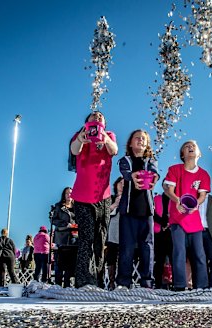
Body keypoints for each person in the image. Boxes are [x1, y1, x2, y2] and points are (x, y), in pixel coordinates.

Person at [69, 111, 118, 288]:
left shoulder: (109, 135)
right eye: (93, 115)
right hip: (82, 197)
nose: (97, 116)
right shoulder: (80, 134)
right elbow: (74, 150)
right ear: (87, 121)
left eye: (101, 116)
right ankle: (82, 281)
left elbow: (114, 150)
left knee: (100, 239)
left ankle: (97, 280)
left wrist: (104, 137)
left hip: (103, 196)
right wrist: (81, 139)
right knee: (86, 238)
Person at [164, 140, 211, 291]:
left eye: (193, 146)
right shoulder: (174, 169)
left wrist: (196, 204)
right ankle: (179, 285)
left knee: (199, 253)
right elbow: (168, 189)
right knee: (179, 252)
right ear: (182, 155)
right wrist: (177, 200)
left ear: (199, 154)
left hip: (194, 220)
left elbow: (202, 195)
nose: (190, 147)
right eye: (186, 146)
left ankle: (202, 286)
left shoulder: (203, 174)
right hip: (177, 218)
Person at [116, 129, 159, 289]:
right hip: (128, 211)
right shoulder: (125, 159)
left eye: (143, 138)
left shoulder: (151, 160)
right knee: (126, 247)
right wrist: (132, 176)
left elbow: (155, 172)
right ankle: (123, 282)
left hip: (146, 211)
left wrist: (155, 177)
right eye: (137, 138)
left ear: (147, 143)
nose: (140, 140)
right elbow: (125, 171)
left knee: (147, 247)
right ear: (130, 142)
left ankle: (147, 282)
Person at [50, 187, 77, 287]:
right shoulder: (58, 206)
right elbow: (53, 220)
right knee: (60, 261)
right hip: (61, 237)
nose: (69, 195)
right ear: (64, 195)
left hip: (74, 237)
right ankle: (57, 284)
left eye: (71, 193)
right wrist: (66, 224)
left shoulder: (76, 207)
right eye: (67, 193)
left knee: (71, 262)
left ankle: (67, 283)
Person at [153, 186, 173, 289]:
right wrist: (162, 223)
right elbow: (153, 214)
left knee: (173, 259)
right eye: (165, 185)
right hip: (159, 232)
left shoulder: (175, 199)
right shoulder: (156, 198)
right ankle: (158, 284)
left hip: (171, 232)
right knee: (159, 260)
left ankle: (175, 283)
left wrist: (168, 224)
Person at [105, 177, 123, 290]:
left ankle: (122, 281)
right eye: (120, 183)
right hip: (113, 230)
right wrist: (116, 204)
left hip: (125, 230)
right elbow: (106, 212)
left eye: (124, 183)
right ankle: (111, 281)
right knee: (111, 255)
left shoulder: (130, 198)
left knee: (123, 255)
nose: (122, 185)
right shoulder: (111, 198)